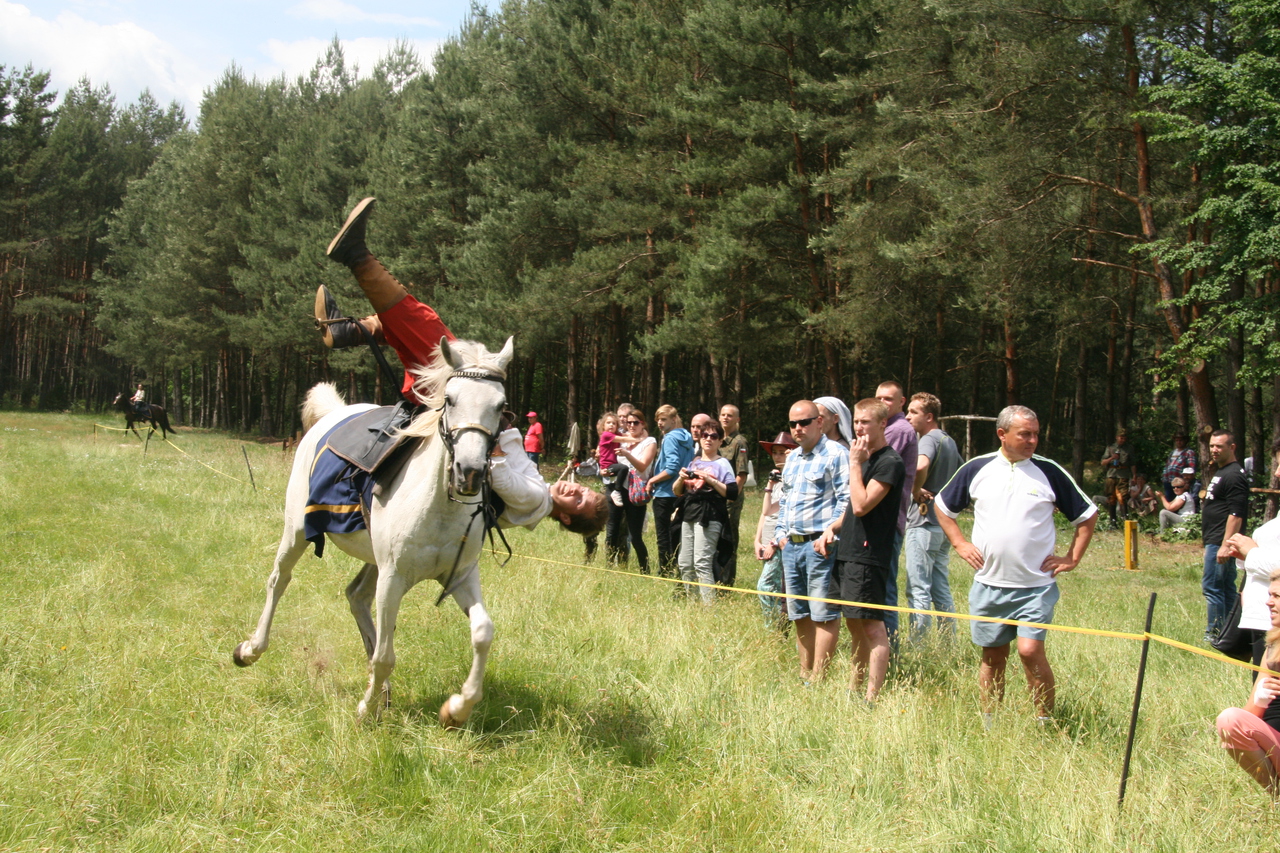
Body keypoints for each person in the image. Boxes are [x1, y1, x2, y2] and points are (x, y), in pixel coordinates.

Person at [314, 196, 607, 538]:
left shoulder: (535, 501)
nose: (577, 490)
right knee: (423, 332)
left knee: (427, 326)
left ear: (568, 518)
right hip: (463, 416)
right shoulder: (539, 493)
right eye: (586, 490)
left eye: (580, 501)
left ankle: (356, 257)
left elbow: (498, 473)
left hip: (461, 416)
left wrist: (491, 430)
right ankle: (348, 330)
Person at [935, 405, 1098, 724]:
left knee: (1028, 651)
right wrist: (959, 542)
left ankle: (1044, 722)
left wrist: (1072, 557)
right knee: (993, 657)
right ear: (1002, 434)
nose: (1033, 440)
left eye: (1036, 434)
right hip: (989, 585)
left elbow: (1087, 514)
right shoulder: (977, 468)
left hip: (1035, 588)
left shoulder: (1048, 470)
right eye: (1025, 434)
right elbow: (943, 507)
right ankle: (990, 723)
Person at [816, 398, 904, 704]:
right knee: (854, 623)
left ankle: (872, 698)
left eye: (865, 422)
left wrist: (854, 463)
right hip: (847, 550)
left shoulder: (889, 462)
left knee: (871, 625)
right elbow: (852, 511)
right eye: (856, 422)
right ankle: (854, 690)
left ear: (882, 424)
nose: (859, 428)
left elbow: (863, 504)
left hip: (868, 555)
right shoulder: (865, 458)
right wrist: (833, 528)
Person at [766, 400, 850, 682]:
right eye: (793, 424)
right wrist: (780, 536)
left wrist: (830, 534)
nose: (798, 429)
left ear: (820, 422)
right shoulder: (792, 459)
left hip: (820, 547)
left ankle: (819, 677)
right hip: (791, 545)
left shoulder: (837, 454)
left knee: (823, 613)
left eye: (804, 422)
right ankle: (805, 673)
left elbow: (846, 499)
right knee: (798, 612)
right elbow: (785, 501)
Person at [1214, 568, 1280, 798]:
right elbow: (1250, 713)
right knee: (1230, 720)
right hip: (1275, 739)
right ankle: (1276, 797)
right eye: (1270, 595)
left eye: (1277, 596)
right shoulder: (1273, 644)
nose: (1269, 603)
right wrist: (1261, 697)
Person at [903, 392, 962, 637]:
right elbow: (962, 475)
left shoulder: (928, 439)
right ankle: (948, 644)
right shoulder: (949, 440)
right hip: (945, 524)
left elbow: (920, 465)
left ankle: (918, 645)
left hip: (924, 522)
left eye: (913, 412)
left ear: (929, 417)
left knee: (918, 588)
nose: (907, 416)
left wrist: (915, 490)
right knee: (940, 588)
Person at [1221, 438, 1280, 667]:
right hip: (1262, 617)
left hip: (1273, 625)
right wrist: (1244, 557)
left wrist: (1251, 554)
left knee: (1270, 699)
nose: (1276, 473)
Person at [674, 422, 739, 604]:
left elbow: (732, 493)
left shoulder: (723, 463)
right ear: (700, 439)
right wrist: (681, 477)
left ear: (720, 442)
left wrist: (711, 480)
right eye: (705, 436)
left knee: (702, 562)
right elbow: (678, 491)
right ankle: (692, 604)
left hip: (710, 516)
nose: (708, 439)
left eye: (714, 436)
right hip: (689, 515)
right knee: (685, 563)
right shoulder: (694, 462)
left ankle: (708, 608)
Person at [875, 381, 918, 642]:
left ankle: (889, 654)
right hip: (881, 520)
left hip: (888, 521)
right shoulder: (887, 428)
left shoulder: (899, 430)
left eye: (889, 399)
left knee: (885, 590)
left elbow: (872, 462)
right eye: (878, 397)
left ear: (902, 402)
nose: (882, 403)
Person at [1202, 430, 1250, 640]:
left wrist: (1225, 545)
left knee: (1212, 587)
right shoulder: (1222, 471)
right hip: (1216, 539)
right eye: (1212, 446)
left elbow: (1236, 513)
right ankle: (1233, 633)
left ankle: (1214, 634)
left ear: (1232, 447)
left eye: (1219, 446)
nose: (1214, 450)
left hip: (1221, 541)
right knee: (1226, 588)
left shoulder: (1233, 474)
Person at [754, 430, 798, 627]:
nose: (778, 457)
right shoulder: (776, 478)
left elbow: (789, 516)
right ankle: (775, 626)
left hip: (781, 541)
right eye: (775, 452)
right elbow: (766, 511)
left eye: (782, 452)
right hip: (768, 538)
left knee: (765, 586)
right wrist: (757, 540)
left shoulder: (794, 479)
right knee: (772, 586)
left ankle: (772, 627)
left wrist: (773, 543)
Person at [648, 405, 695, 578]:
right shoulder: (687, 437)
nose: (660, 423)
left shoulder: (670, 438)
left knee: (663, 536)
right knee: (677, 535)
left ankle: (665, 572)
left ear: (674, 419)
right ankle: (677, 569)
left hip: (664, 494)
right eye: (658, 420)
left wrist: (652, 480)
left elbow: (672, 467)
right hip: (681, 493)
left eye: (664, 419)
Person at [609, 409, 658, 574]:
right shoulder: (623, 440)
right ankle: (611, 567)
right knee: (613, 531)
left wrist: (626, 454)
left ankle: (645, 571)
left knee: (635, 536)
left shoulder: (650, 442)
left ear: (642, 423)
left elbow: (643, 466)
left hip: (636, 492)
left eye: (635, 422)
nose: (631, 425)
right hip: (618, 490)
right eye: (628, 422)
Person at [715, 404, 750, 587]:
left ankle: (727, 583)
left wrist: (731, 496)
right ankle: (716, 578)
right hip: (716, 497)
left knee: (729, 539)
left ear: (737, 420)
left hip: (730, 499)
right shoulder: (717, 439)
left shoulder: (739, 442)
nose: (726, 418)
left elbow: (741, 475)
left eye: (730, 415)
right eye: (723, 415)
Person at [1100, 430, 1135, 524]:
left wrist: (1134, 476)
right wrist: (1112, 458)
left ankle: (1126, 520)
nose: (1122, 440)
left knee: (1123, 497)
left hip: (1123, 475)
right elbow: (1103, 462)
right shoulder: (1110, 448)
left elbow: (1133, 463)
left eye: (1124, 438)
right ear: (1117, 437)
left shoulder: (1129, 448)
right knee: (1111, 498)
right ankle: (1113, 521)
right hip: (1111, 475)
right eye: (1121, 437)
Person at [1163, 432, 1198, 501]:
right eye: (1177, 440)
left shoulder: (1189, 452)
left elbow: (1191, 468)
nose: (1178, 442)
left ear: (1185, 441)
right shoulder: (1172, 452)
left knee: (1179, 502)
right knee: (1169, 502)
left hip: (1180, 483)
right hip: (1168, 481)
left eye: (1181, 440)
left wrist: (1187, 482)